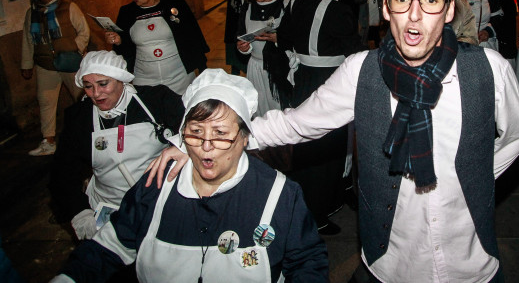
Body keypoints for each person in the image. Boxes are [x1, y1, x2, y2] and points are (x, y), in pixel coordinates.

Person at [148, 0, 519, 282]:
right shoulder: (361, 72)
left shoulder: (489, 71)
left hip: (472, 263)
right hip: (391, 262)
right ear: (385, 8)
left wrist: (476, 177)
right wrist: (206, 140)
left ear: (449, 9)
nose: (414, 16)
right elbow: (295, 123)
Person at [53, 69, 329, 282]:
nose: (206, 147)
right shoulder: (155, 186)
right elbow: (109, 248)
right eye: (196, 133)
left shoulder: (279, 194)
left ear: (245, 138)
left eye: (221, 134)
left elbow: (306, 261)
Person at [49, 51, 183, 241]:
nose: (96, 93)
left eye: (103, 84)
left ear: (122, 80)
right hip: (109, 207)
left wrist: (182, 146)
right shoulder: (79, 118)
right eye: (88, 86)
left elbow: (195, 131)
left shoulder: (156, 101)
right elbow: (62, 173)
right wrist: (79, 212)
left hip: (159, 203)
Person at [276, 0, 363, 234]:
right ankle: (318, 210)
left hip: (303, 78)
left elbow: (284, 37)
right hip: (330, 81)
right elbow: (355, 49)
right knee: (328, 145)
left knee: (306, 141)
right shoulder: (336, 9)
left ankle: (315, 200)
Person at [108, 0, 209, 94]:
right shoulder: (126, 13)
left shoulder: (175, 4)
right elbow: (125, 50)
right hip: (144, 79)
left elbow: (193, 36)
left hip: (179, 77)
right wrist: (118, 41)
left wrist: (202, 68)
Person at [21, 0, 90, 156]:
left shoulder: (68, 7)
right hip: (45, 64)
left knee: (82, 98)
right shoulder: (32, 14)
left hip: (69, 62)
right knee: (46, 102)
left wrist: (76, 48)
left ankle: (89, 132)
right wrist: (26, 64)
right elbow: (28, 40)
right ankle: (49, 141)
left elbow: (83, 30)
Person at [236, 0, 292, 115]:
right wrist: (244, 48)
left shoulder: (286, 6)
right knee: (260, 110)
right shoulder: (246, 9)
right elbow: (241, 37)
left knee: (280, 111)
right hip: (255, 68)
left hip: (280, 68)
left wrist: (278, 39)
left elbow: (297, 39)